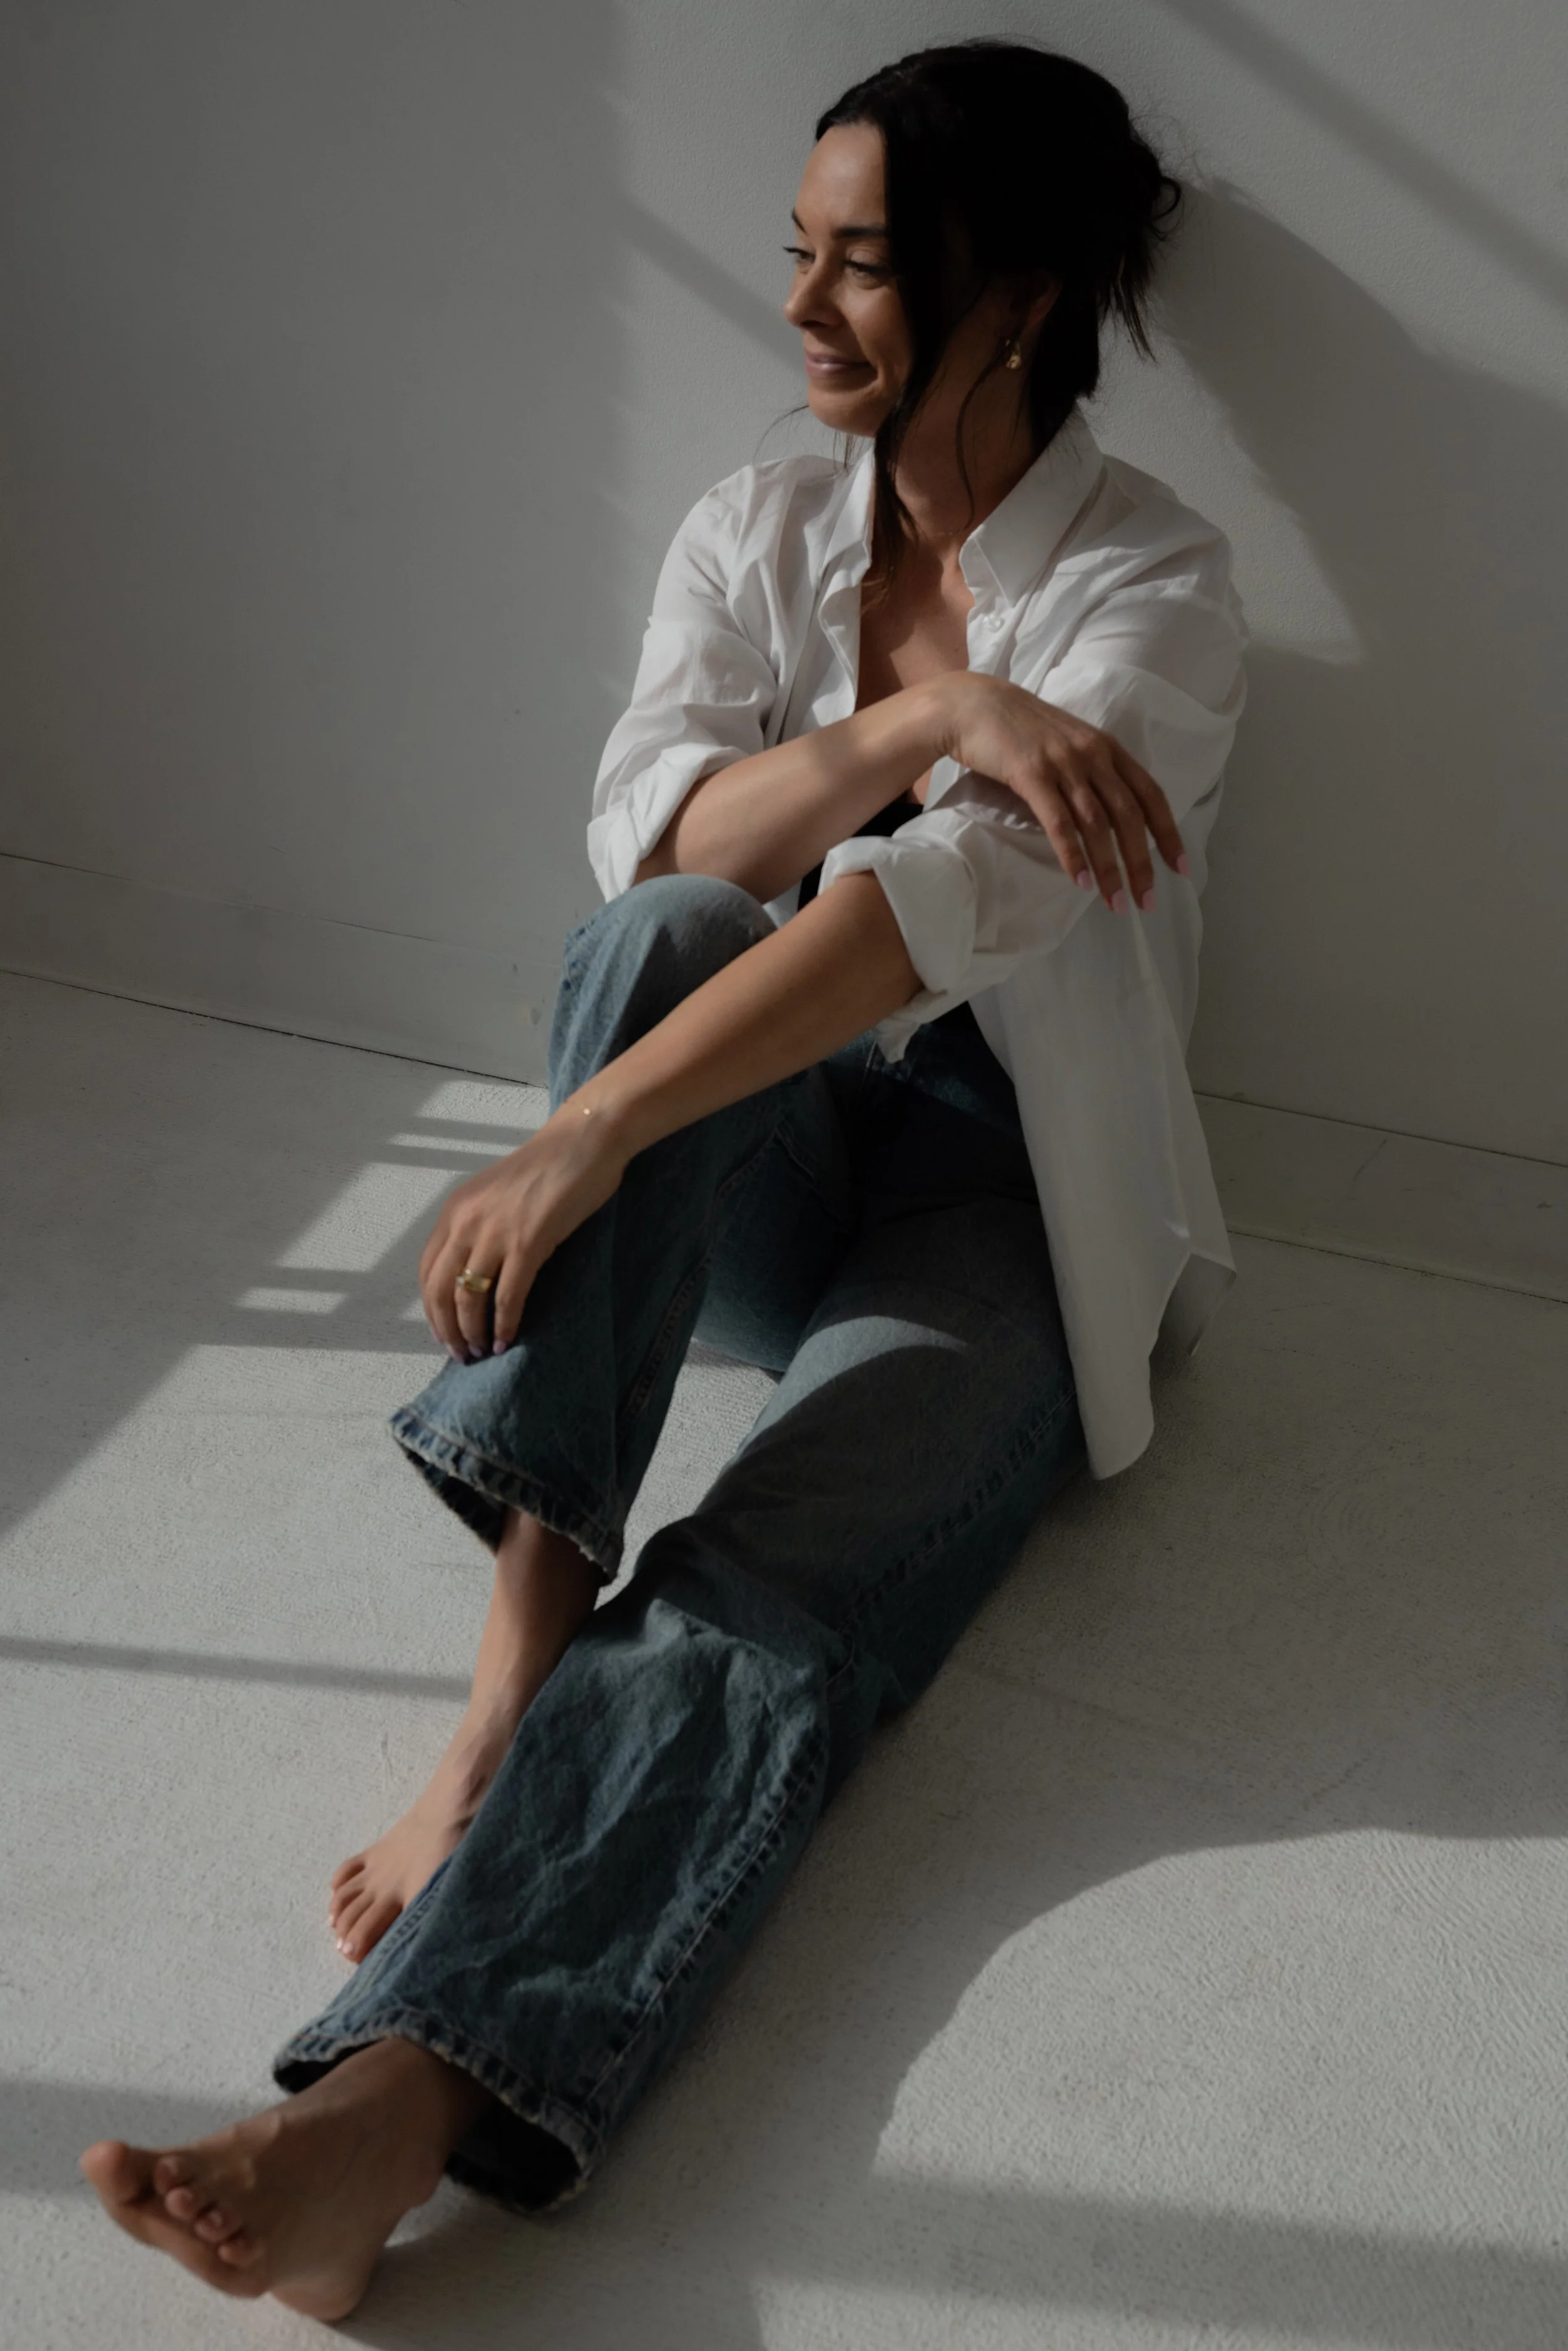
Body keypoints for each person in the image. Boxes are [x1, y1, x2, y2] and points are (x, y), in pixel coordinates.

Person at [81, 38, 1245, 2320]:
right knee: (661, 935)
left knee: (765, 1583)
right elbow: (657, 840)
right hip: (771, 1162)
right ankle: (503, 1691)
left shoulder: (1158, 589)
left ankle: (383, 2119)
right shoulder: (762, 525)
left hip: (1003, 1207)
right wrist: (927, 715)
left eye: (863, 266)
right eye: (794, 252)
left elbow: (941, 907)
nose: (800, 308)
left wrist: (595, 1124)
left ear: (1017, 297)